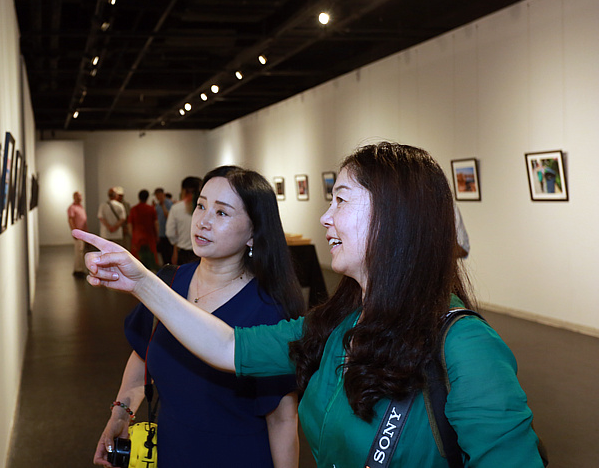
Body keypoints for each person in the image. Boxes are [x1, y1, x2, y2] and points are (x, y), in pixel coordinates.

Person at [76, 142, 544, 468]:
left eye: (340, 199)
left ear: (395, 220)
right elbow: (226, 347)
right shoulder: (340, 323)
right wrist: (142, 282)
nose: (324, 216)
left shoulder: (466, 347)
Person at [91, 166, 306, 468]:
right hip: (170, 452)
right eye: (201, 206)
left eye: (221, 213)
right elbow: (143, 354)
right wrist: (120, 413)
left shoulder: (269, 310)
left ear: (254, 233)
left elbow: (283, 419)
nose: (203, 221)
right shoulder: (167, 282)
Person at [165, 176, 202, 265]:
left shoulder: (176, 208)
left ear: (183, 190)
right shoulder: (205, 208)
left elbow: (170, 233)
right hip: (202, 254)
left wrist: (175, 244)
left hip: (183, 254)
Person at [128, 189, 158, 270]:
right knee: (150, 260)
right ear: (147, 197)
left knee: (137, 261)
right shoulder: (151, 209)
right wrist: (157, 235)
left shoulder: (133, 209)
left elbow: (130, 224)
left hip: (137, 238)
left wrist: (132, 236)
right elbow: (156, 224)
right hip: (149, 237)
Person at [68, 191, 88, 275]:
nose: (80, 197)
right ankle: (78, 270)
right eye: (78, 196)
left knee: (81, 251)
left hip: (83, 232)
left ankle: (80, 268)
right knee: (78, 251)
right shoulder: (72, 208)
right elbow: (70, 219)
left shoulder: (81, 207)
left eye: (80, 195)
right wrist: (74, 231)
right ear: (74, 197)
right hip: (78, 233)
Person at [152, 187, 173, 266]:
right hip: (161, 233)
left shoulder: (168, 203)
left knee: (169, 253)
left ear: (162, 194)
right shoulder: (157, 206)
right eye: (156, 196)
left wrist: (163, 205)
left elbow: (169, 216)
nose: (157, 197)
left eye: (158, 195)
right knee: (163, 253)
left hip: (168, 232)